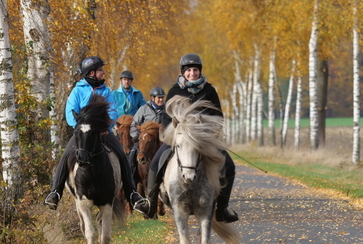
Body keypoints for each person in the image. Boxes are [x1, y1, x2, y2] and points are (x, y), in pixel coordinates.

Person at [138, 54, 239, 223]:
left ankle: (222, 209)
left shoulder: (209, 91)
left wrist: (208, 131)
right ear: (183, 72)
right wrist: (175, 130)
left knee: (229, 166)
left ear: (200, 71)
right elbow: (165, 118)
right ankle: (150, 203)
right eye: (189, 70)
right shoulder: (174, 91)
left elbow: (218, 117)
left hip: (203, 140)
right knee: (156, 162)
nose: (192, 73)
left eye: (195, 70)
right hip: (179, 139)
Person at [44, 56, 147, 212]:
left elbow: (113, 111)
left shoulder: (105, 90)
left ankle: (133, 194)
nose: (103, 72)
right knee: (66, 156)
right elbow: (70, 113)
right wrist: (80, 127)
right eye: (100, 70)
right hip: (83, 133)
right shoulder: (77, 90)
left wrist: (106, 126)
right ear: (92, 72)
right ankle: (55, 192)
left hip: (102, 132)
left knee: (121, 153)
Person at [128, 87, 166, 180]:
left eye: (162, 97)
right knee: (132, 153)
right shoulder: (143, 109)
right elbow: (134, 124)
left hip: (161, 140)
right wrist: (135, 135)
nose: (161, 100)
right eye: (159, 98)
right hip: (144, 140)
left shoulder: (167, 109)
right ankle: (132, 177)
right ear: (152, 98)